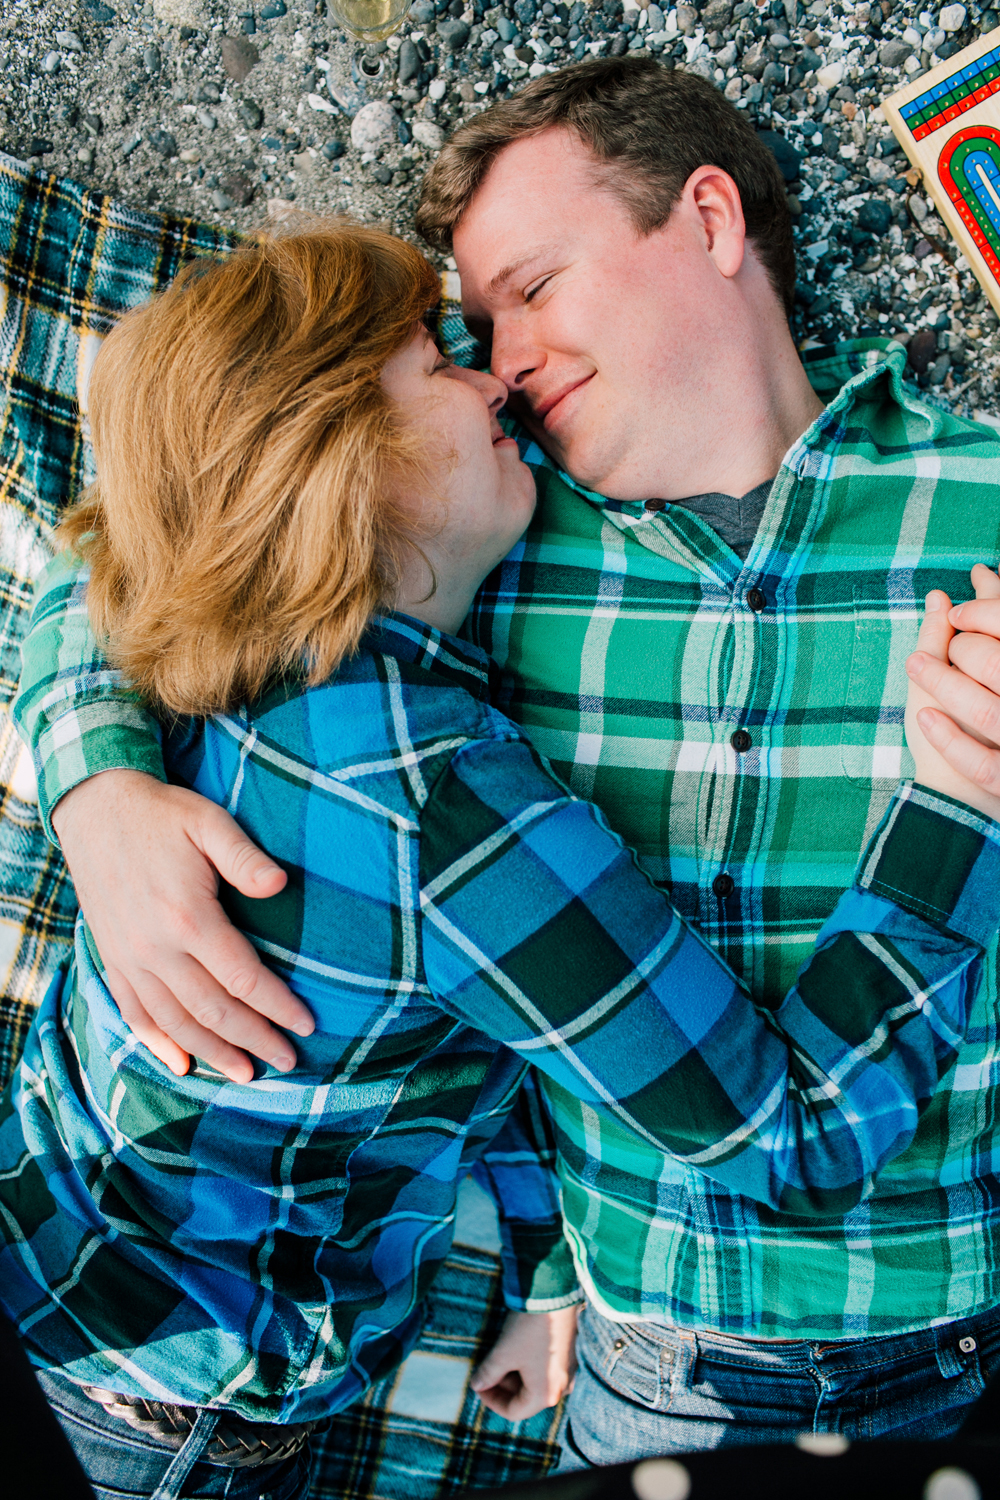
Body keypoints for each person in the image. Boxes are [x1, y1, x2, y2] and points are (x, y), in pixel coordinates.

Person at [15, 56, 1000, 1461]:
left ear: (710, 221)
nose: (502, 368)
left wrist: (541, 1276)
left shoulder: (981, 496)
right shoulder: (484, 551)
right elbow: (140, 525)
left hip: (956, 1289)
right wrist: (95, 783)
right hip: (645, 1356)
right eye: (467, 334)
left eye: (532, 289)